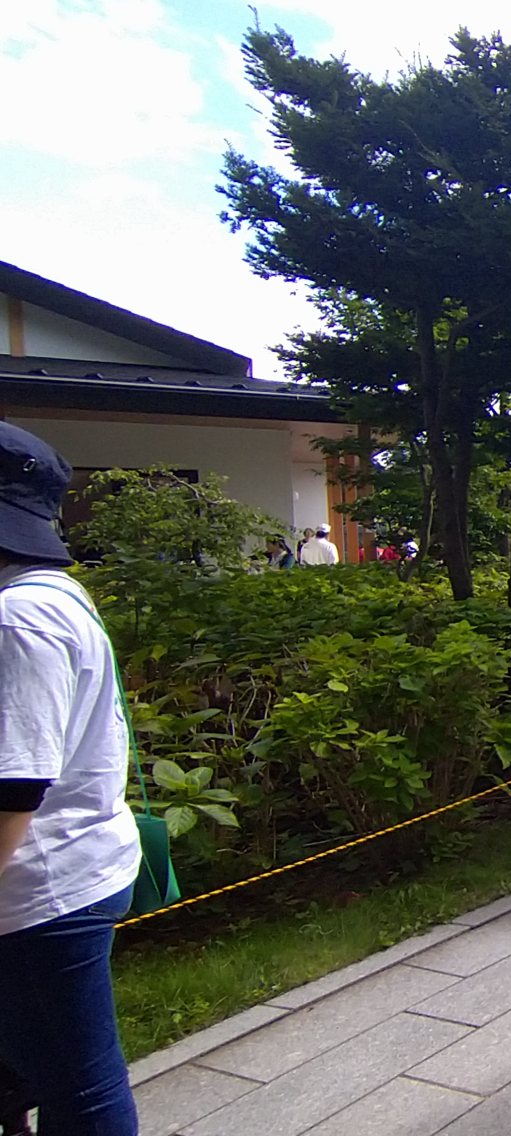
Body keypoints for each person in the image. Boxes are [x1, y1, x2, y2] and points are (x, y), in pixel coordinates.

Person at [0, 421, 142, 1136]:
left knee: (79, 1089)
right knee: (42, 1066)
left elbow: (14, 785)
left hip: (36, 891)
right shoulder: (53, 593)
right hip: (72, 864)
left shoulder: (18, 617)